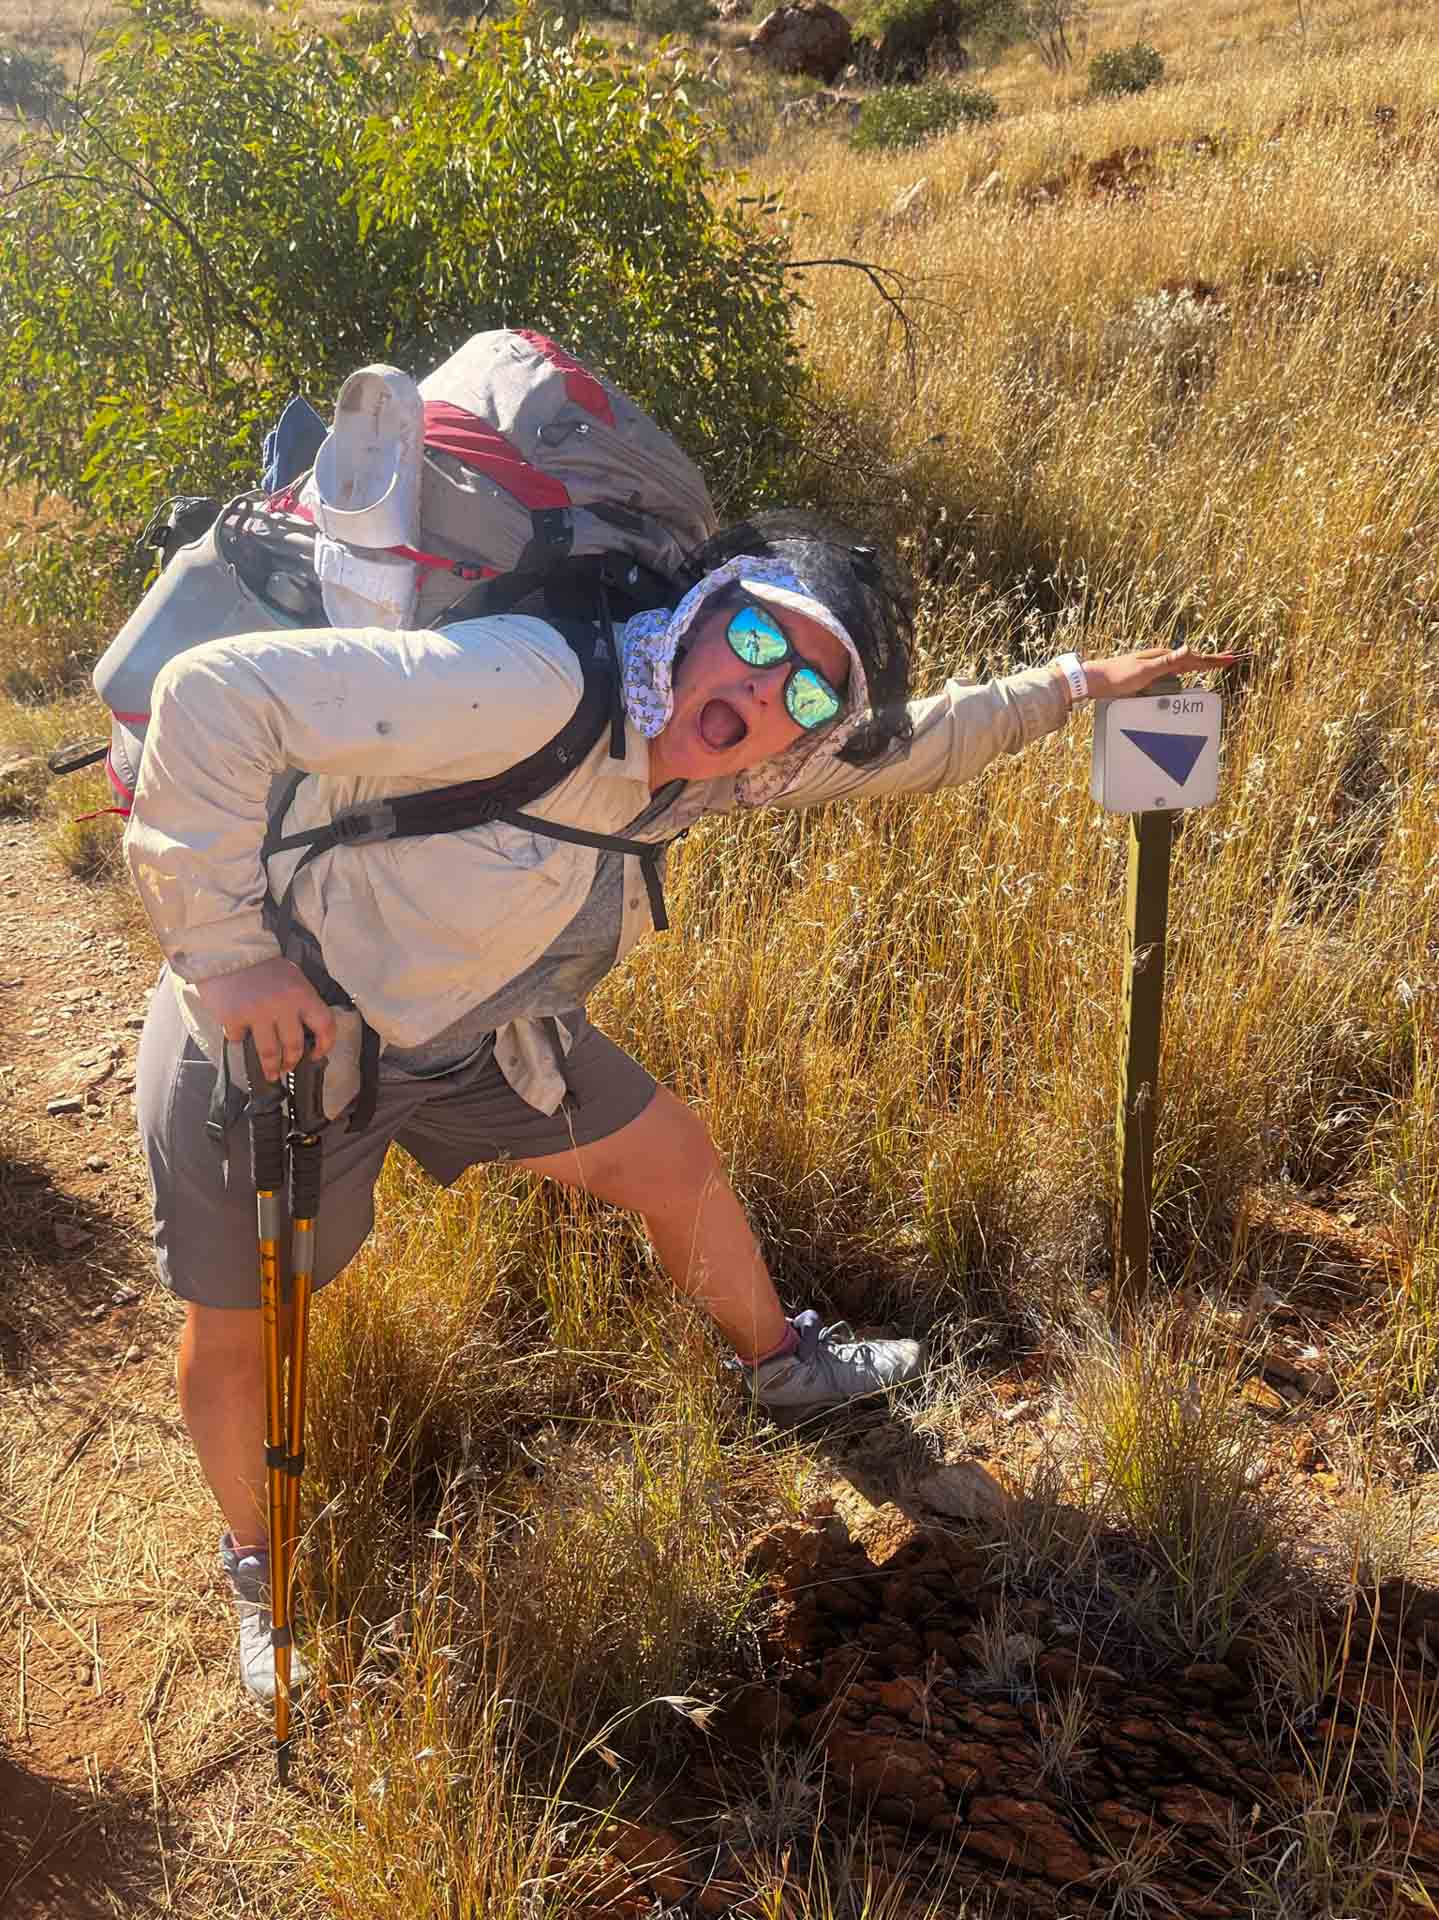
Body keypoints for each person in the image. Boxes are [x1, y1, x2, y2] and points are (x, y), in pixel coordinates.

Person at [124, 510, 1233, 1702]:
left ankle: (781, 1368)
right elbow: (213, 692)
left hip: (479, 1037)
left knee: (668, 1159)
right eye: (759, 644)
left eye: (808, 693)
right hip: (284, 1040)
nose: (766, 696)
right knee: (247, 1326)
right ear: (701, 614)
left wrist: (1073, 684)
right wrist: (229, 951)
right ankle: (261, 1568)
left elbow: (915, 741)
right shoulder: (531, 685)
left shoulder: (731, 762)